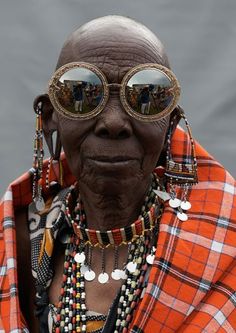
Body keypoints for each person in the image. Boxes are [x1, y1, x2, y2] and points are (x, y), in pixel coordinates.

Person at [0, 15, 236, 333]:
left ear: (171, 123)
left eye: (146, 96)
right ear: (50, 116)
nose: (113, 122)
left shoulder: (223, 247)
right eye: (81, 93)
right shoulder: (19, 243)